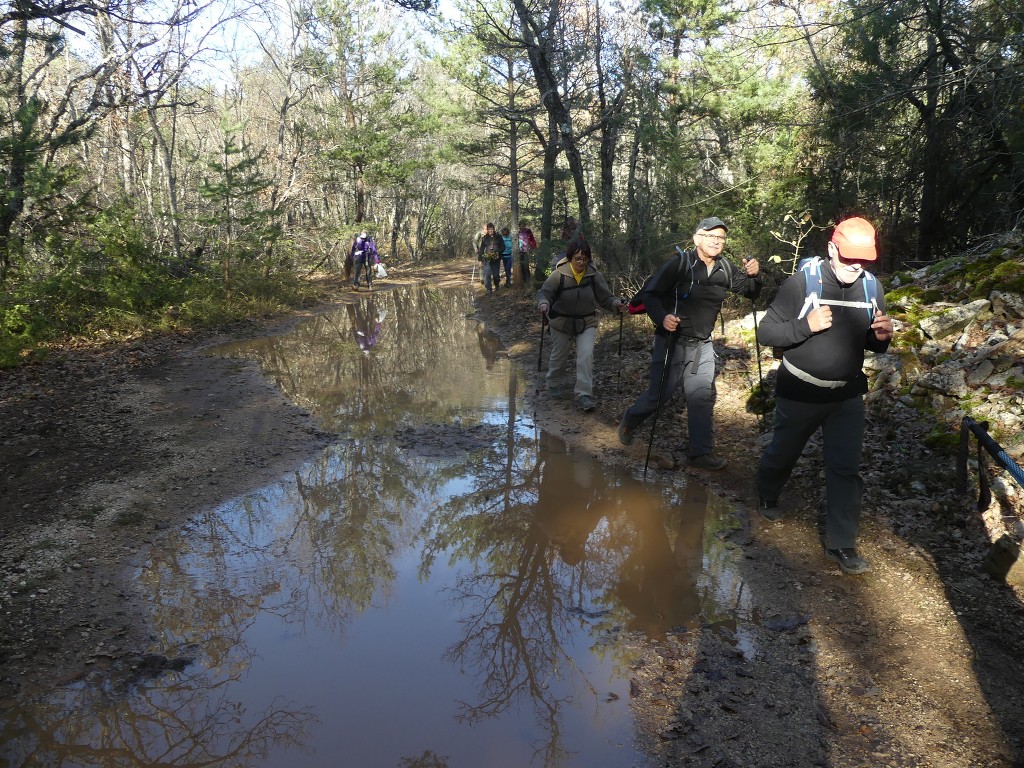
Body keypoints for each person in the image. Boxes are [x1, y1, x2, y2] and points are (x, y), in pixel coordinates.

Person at [754, 216, 894, 575]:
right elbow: (766, 332)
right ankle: (767, 491)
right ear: (832, 249)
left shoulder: (871, 287)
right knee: (784, 452)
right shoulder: (802, 283)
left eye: (864, 260)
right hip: (800, 390)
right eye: (849, 258)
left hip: (846, 395)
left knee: (845, 469)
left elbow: (869, 343)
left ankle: (842, 544)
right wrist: (806, 325)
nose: (856, 267)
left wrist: (881, 338)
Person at [617, 216, 761, 470]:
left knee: (701, 397)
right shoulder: (679, 265)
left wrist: (755, 275)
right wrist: (663, 318)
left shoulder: (725, 268)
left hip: (702, 345)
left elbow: (750, 292)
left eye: (721, 238)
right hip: (672, 342)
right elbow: (650, 295)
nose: (716, 242)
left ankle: (700, 453)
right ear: (697, 238)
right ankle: (631, 418)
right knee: (659, 396)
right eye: (711, 236)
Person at [537, 238, 626, 412]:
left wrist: (616, 304)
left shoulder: (594, 275)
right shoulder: (558, 275)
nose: (581, 262)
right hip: (561, 323)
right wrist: (543, 303)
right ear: (570, 258)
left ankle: (584, 394)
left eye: (584, 258)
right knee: (559, 356)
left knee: (585, 356)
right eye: (577, 258)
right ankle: (553, 382)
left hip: (587, 322)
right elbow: (544, 293)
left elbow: (605, 298)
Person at [476, 222, 503, 294]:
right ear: (487, 230)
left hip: (496, 258)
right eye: (489, 229)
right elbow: (481, 249)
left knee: (496, 275)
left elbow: (503, 247)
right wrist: (479, 260)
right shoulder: (484, 238)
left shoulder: (499, 236)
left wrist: (497, 252)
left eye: (491, 229)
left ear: (494, 229)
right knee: (487, 274)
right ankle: (489, 289)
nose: (490, 231)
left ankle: (497, 285)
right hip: (487, 258)